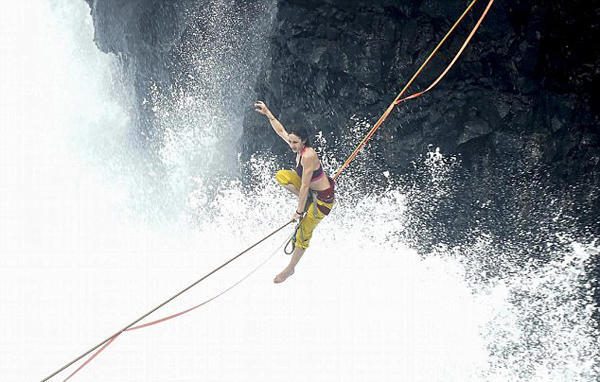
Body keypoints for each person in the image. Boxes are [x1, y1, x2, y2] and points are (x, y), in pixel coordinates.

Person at [254, 101, 335, 283]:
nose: (291, 145)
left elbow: (305, 186)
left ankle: (290, 269)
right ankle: (305, 202)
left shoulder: (308, 156)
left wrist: (298, 213)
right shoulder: (296, 146)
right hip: (311, 194)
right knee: (282, 176)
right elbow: (280, 130)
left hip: (322, 200)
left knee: (303, 233)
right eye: (290, 141)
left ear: (303, 141)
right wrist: (268, 113)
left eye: (295, 142)